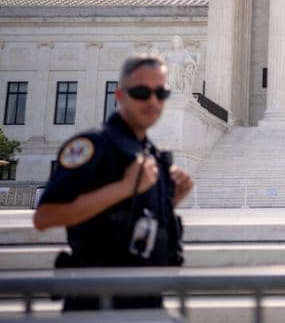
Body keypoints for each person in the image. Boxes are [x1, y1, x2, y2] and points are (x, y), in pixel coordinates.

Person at [33, 54, 193, 311]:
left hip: (145, 298)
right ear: (120, 96)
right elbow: (46, 216)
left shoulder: (152, 155)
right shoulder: (94, 145)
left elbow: (136, 218)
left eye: (161, 93)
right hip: (97, 302)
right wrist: (124, 188)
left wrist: (171, 199)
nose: (152, 101)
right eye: (141, 92)